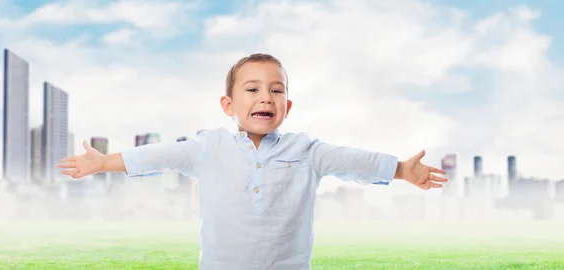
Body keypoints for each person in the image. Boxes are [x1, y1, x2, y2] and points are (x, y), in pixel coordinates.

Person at [58, 53, 448, 270]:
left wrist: (399, 170)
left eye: (276, 90)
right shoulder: (207, 147)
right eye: (252, 89)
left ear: (287, 106)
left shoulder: (306, 150)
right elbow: (159, 156)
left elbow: (351, 159)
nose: (266, 97)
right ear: (229, 104)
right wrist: (104, 162)